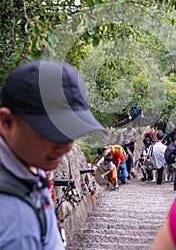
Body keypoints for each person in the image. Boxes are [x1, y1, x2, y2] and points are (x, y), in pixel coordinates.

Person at [0, 58, 105, 249]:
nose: (65, 146)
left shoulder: (30, 166)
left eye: (72, 131)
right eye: (51, 131)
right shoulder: (9, 216)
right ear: (7, 122)